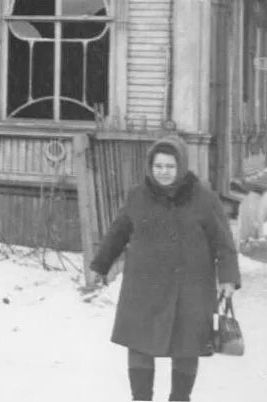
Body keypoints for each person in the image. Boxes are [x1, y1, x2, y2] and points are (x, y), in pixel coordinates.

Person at [90, 134, 240, 401]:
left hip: (190, 288)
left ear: (181, 166)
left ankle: (180, 398)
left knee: (186, 347)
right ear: (150, 166)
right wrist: (100, 264)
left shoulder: (203, 197)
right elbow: (118, 232)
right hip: (143, 287)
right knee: (139, 345)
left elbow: (223, 242)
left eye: (169, 166)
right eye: (158, 166)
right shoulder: (138, 195)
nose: (163, 172)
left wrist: (228, 277)